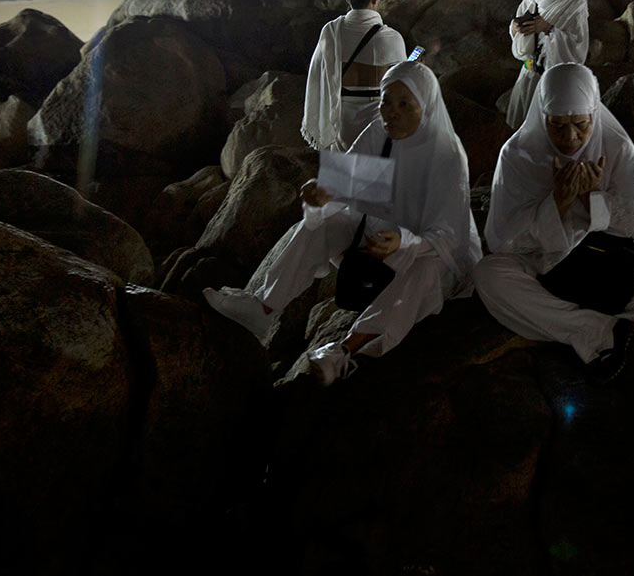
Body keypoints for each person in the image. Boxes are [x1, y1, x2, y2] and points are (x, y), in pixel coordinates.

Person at [203, 62, 481, 385]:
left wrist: (402, 241)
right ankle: (262, 308)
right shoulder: (380, 133)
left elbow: (447, 236)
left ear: (427, 105)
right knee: (323, 225)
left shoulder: (446, 154)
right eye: (386, 101)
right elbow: (344, 188)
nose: (391, 112)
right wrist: (319, 197)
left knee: (424, 273)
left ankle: (346, 350)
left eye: (405, 104)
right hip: (378, 240)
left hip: (429, 252)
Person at [475, 63, 634, 380]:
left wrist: (593, 197)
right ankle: (604, 329)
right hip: (542, 255)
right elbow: (505, 240)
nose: (569, 137)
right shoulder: (517, 154)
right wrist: (557, 202)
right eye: (557, 126)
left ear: (594, 116)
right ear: (542, 116)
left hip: (611, 251)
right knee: (489, 275)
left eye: (580, 125)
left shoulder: (615, 145)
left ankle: (595, 327)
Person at [302, 0, 408, 152]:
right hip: (377, 124)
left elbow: (317, 74)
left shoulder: (331, 32)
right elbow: (404, 85)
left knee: (342, 178)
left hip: (339, 123)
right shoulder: (390, 38)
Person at [504, 0, 590, 128]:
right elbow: (518, 28)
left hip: (555, 78)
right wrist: (514, 28)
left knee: (549, 127)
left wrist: (550, 28)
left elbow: (578, 44)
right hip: (529, 73)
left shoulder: (574, 2)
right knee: (522, 125)